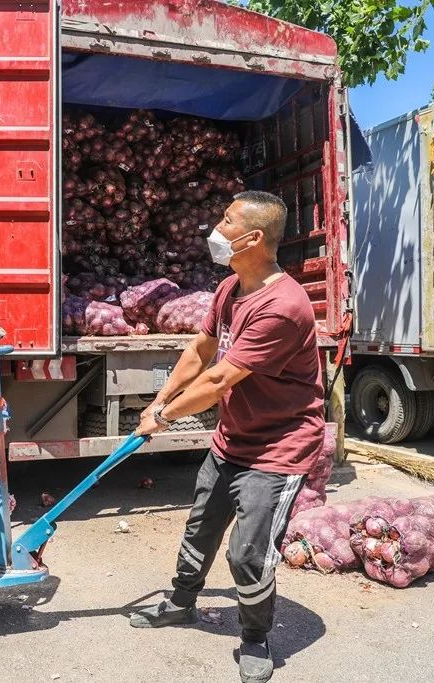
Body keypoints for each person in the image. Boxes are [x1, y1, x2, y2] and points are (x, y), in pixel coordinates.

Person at [130, 191, 324, 683]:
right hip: (232, 439)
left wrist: (167, 418)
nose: (216, 227)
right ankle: (180, 602)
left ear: (253, 238)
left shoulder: (282, 306)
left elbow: (219, 380)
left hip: (276, 450)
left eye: (227, 220)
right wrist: (160, 399)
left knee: (247, 552)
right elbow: (201, 351)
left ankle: (256, 639)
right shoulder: (231, 287)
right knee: (200, 526)